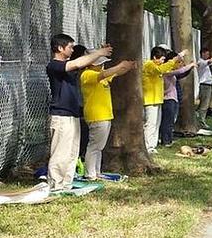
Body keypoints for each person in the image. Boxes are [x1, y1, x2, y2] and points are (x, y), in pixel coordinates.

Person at [46, 35, 111, 191]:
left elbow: (83, 61)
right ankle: (55, 184)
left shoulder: (71, 66)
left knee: (71, 153)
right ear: (60, 48)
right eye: (70, 47)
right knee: (60, 153)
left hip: (72, 116)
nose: (72, 50)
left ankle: (66, 185)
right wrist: (99, 52)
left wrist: (99, 53)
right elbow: (77, 62)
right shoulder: (54, 65)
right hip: (61, 116)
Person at [78, 52, 134, 180]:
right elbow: (104, 74)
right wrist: (120, 65)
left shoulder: (101, 76)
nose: (102, 66)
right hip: (96, 116)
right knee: (94, 146)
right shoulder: (87, 75)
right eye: (100, 63)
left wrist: (127, 67)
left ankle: (96, 172)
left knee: (99, 146)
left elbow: (114, 73)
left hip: (104, 115)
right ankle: (90, 173)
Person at [143, 46, 183, 154]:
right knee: (150, 124)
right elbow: (160, 70)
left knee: (156, 123)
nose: (162, 62)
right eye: (161, 59)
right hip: (150, 100)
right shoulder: (149, 65)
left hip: (157, 99)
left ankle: (152, 145)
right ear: (154, 57)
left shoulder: (158, 66)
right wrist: (174, 60)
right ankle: (147, 146)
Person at [160, 49, 196, 147]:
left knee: (172, 121)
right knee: (168, 121)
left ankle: (168, 139)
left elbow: (181, 73)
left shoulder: (171, 72)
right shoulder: (166, 71)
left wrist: (189, 67)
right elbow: (180, 71)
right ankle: (165, 141)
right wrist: (190, 65)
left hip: (173, 99)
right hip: (168, 100)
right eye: (178, 62)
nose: (179, 64)